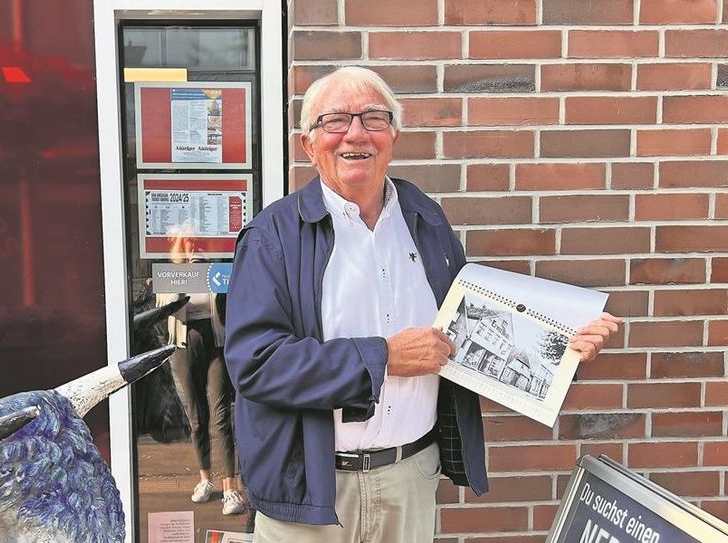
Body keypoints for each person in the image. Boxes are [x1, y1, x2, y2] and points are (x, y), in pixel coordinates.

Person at [224, 66, 621, 542]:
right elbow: (255, 364)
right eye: (335, 120)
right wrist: (384, 357)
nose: (356, 133)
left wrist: (561, 348)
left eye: (374, 117)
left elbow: (472, 328)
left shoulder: (425, 220)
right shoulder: (272, 237)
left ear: (393, 135)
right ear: (309, 145)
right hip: (309, 491)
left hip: (409, 479)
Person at [158, 225, 246, 516]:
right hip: (185, 345)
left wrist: (206, 271)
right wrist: (186, 272)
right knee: (197, 417)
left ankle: (231, 489)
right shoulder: (171, 273)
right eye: (187, 241)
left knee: (221, 416)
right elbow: (167, 306)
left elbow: (234, 302)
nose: (193, 245)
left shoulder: (217, 269)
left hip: (217, 343)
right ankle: (205, 479)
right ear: (177, 245)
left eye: (197, 240)